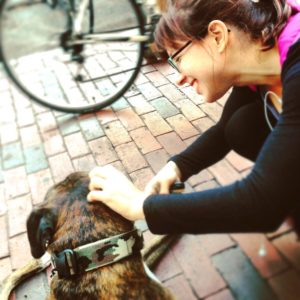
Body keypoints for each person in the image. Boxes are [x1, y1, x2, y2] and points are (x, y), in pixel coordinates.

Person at [88, 0, 300, 236]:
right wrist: (175, 168)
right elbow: (222, 134)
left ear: (217, 36)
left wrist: (139, 206)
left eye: (177, 58)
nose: (179, 77)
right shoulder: (258, 64)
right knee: (241, 126)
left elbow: (261, 205)